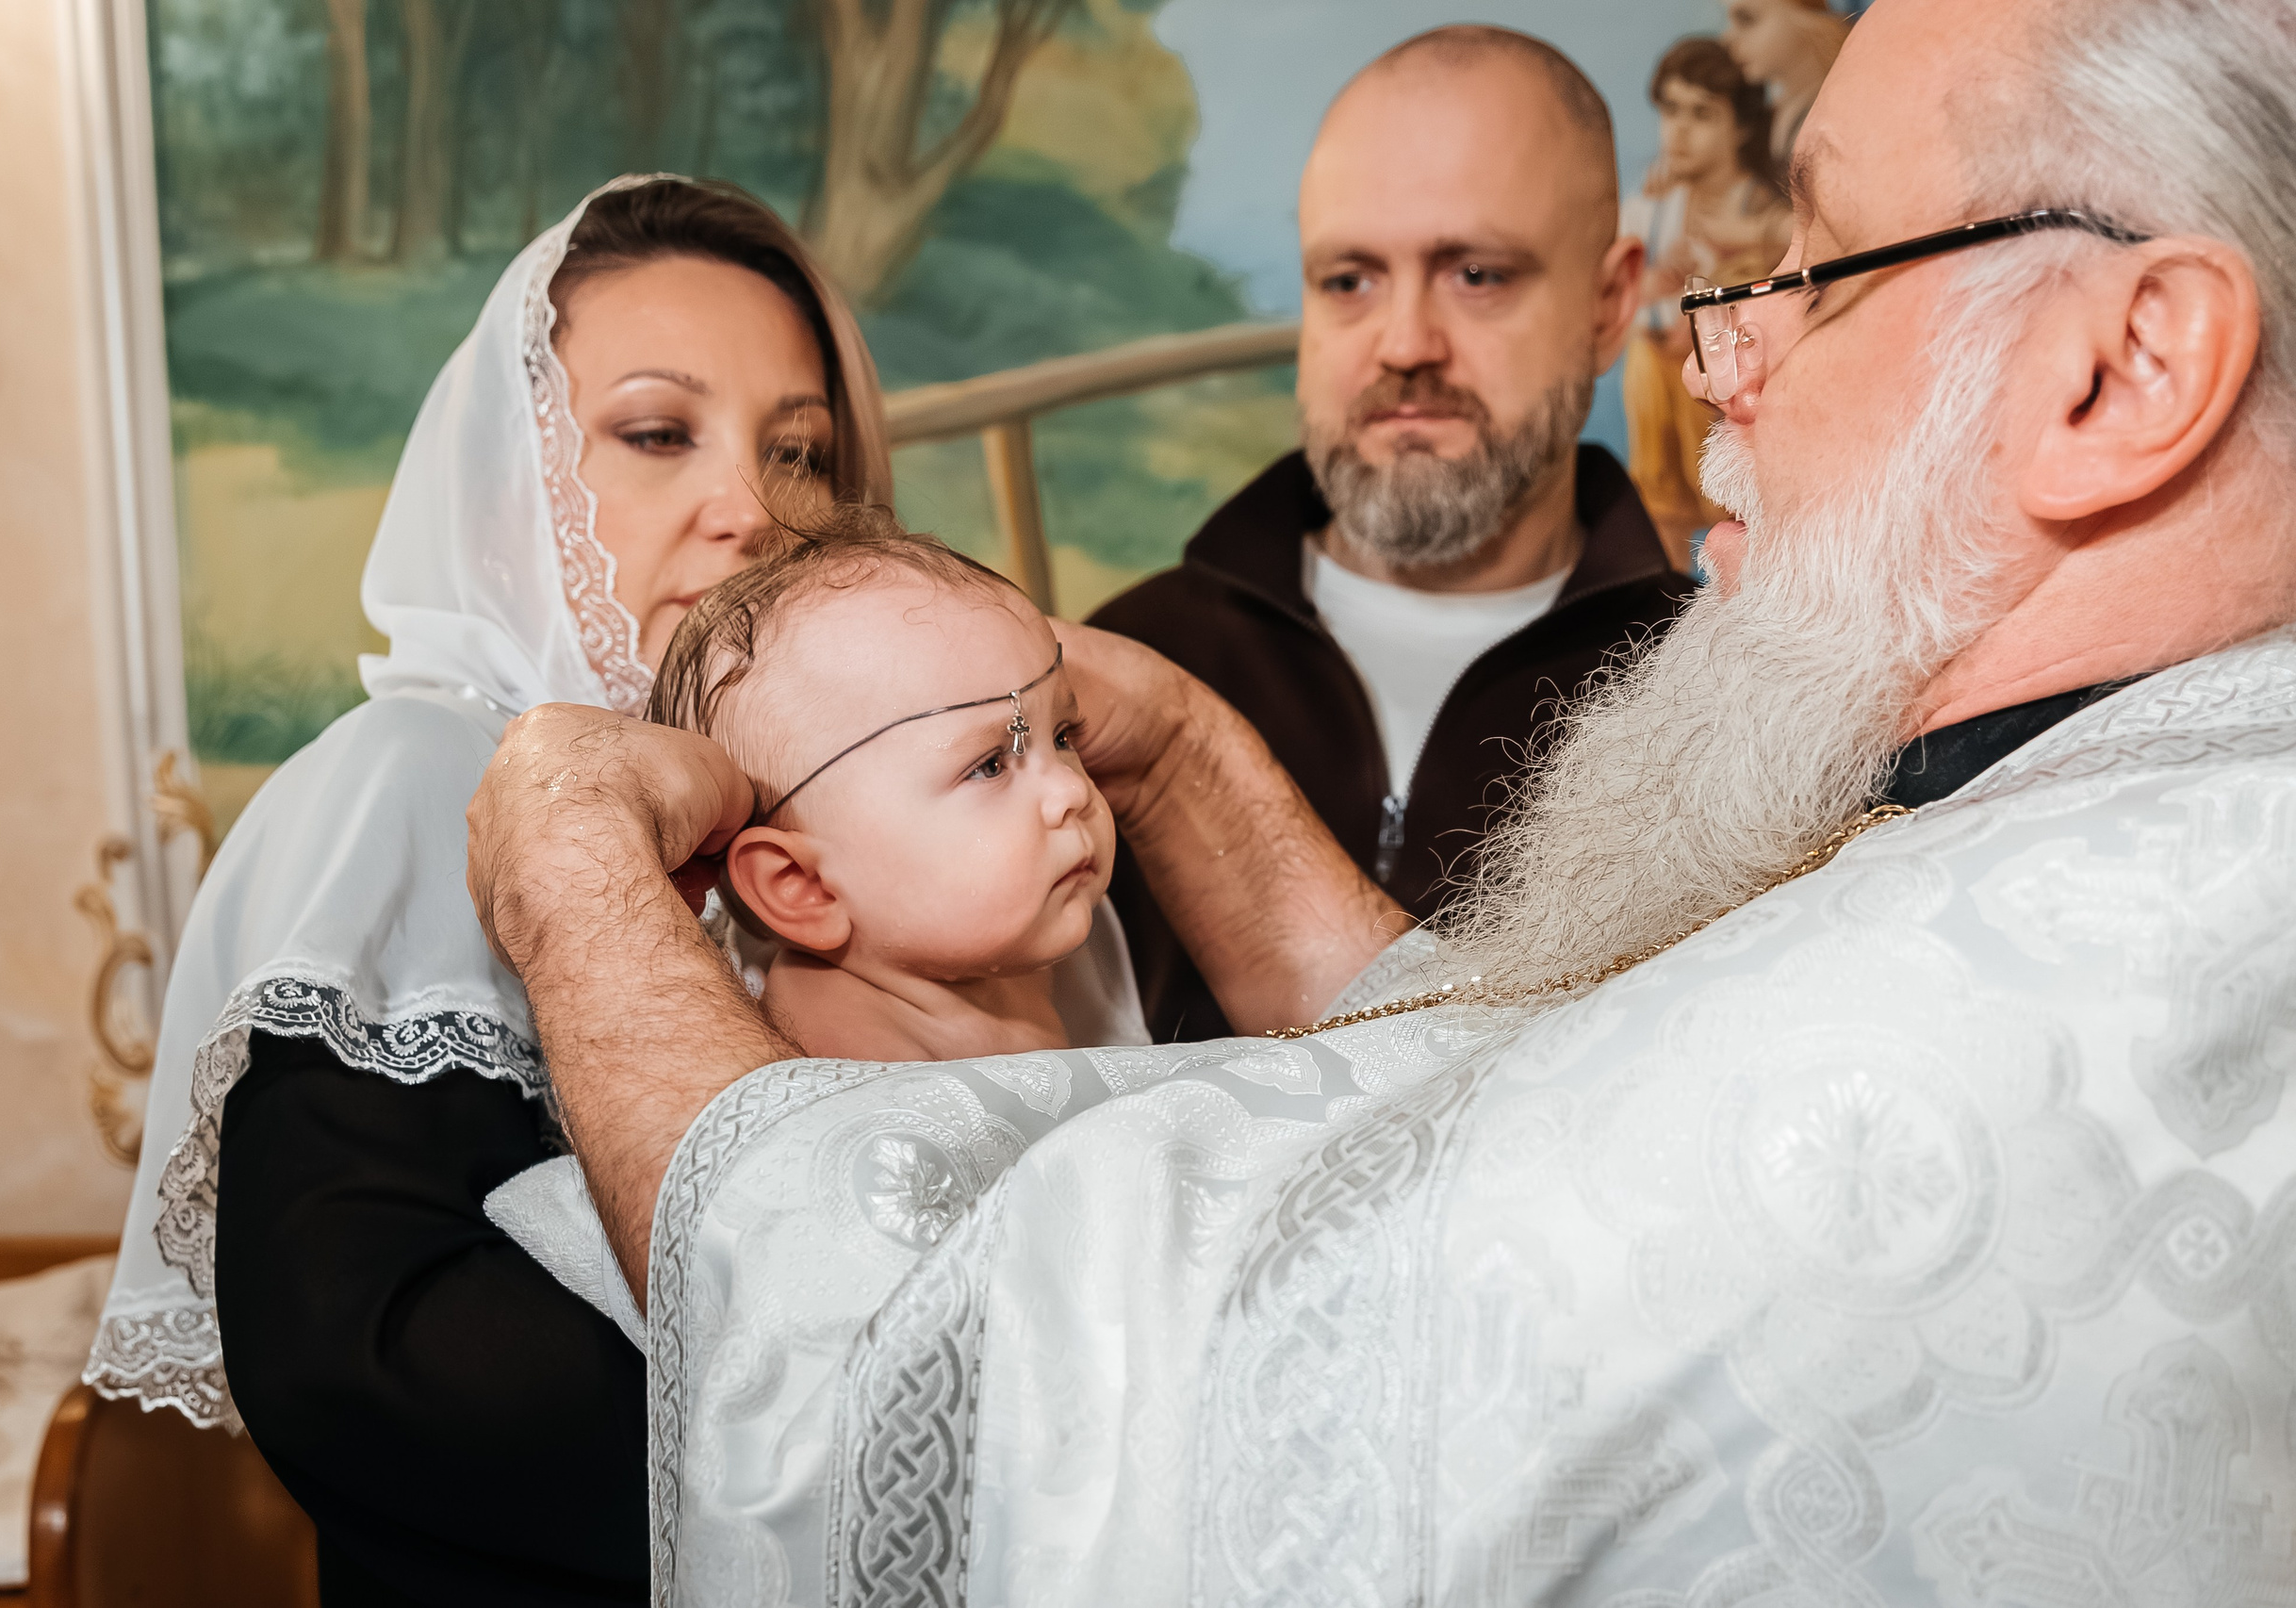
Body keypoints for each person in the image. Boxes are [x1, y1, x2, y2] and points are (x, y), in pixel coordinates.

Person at [468, 0, 2296, 1596]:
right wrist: (1183, 750)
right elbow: (1497, 1104)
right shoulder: (2103, 821)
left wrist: (575, 879)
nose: (1718, 359)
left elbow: (976, 1390)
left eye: (1806, 270)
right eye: (1346, 276)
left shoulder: (2028, 998)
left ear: (2125, 368)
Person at [85, 175, 892, 1604]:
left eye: (800, 451)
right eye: (656, 434)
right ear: (507, 487)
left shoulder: (882, 816)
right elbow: (360, 1349)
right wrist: (885, 1478)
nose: (751, 510)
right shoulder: (418, 773)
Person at [1090, 27, 1687, 1042]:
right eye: (1349, 281)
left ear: (1608, 301)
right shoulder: (1127, 669)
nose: (1405, 344)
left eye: (1478, 275)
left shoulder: (1719, 696)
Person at [644, 512, 1141, 1060]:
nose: (1071, 793)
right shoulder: (843, 1063)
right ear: (804, 886)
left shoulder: (1027, 938)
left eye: (1064, 735)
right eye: (989, 766)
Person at [1620, 36, 1790, 566]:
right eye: (1670, 110)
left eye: (1702, 114)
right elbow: (1623, 305)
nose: (1680, 131)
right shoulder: (1651, 208)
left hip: (1740, 402)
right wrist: (1653, 295)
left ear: (1740, 126)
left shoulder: (1767, 211)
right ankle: (1665, 568)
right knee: (1650, 362)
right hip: (1667, 396)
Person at [1720, 0, 1849, 175]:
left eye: (1747, 19)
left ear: (1805, 14)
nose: (1727, 38)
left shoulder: (1836, 120)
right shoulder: (1778, 114)